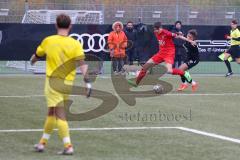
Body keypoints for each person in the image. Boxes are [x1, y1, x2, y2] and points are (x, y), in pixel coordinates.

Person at [30, 14, 91, 155]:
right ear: (70, 26)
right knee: (51, 112)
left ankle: (68, 146)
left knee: (60, 115)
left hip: (53, 83)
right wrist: (87, 83)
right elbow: (82, 63)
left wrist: (32, 61)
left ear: (56, 25)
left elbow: (37, 55)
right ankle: (42, 144)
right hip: (67, 84)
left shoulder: (49, 41)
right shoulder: (75, 43)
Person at [128, 22, 194, 87]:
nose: (155, 31)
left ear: (160, 28)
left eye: (157, 30)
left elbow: (179, 36)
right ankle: (136, 83)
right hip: (161, 53)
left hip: (169, 53)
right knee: (145, 66)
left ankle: (184, 73)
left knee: (169, 71)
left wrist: (190, 41)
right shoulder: (156, 32)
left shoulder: (166, 33)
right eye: (154, 30)